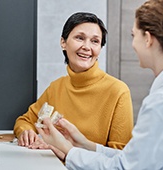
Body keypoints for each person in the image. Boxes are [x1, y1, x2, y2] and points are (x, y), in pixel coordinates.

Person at [36, 0, 163, 169]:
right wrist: (84, 144)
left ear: (147, 39)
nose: (133, 44)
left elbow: (124, 167)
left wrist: (68, 151)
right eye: (80, 38)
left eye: (133, 35)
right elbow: (134, 159)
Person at [14, 12, 134, 153]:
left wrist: (65, 148)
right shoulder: (56, 87)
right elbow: (25, 120)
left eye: (95, 41)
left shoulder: (118, 91)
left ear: (100, 49)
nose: (86, 47)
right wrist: (26, 132)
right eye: (80, 38)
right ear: (63, 42)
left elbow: (121, 156)